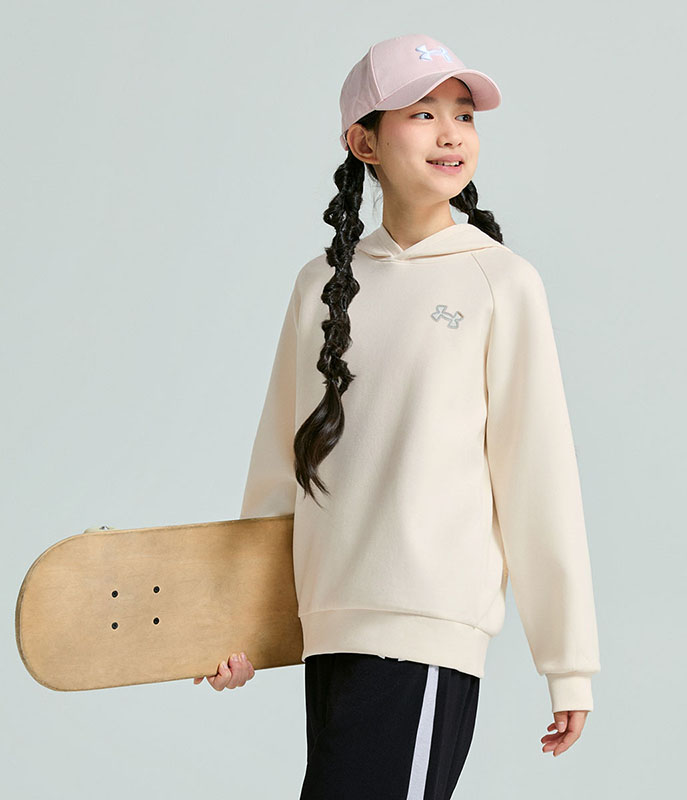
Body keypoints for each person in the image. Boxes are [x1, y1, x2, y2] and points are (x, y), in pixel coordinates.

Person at [198, 33, 602, 798]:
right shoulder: (321, 284)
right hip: (329, 631)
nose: (451, 133)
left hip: (426, 636)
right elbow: (279, 469)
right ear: (365, 143)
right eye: (422, 113)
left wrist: (568, 663)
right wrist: (238, 622)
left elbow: (539, 480)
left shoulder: (501, 283)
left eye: (464, 115)